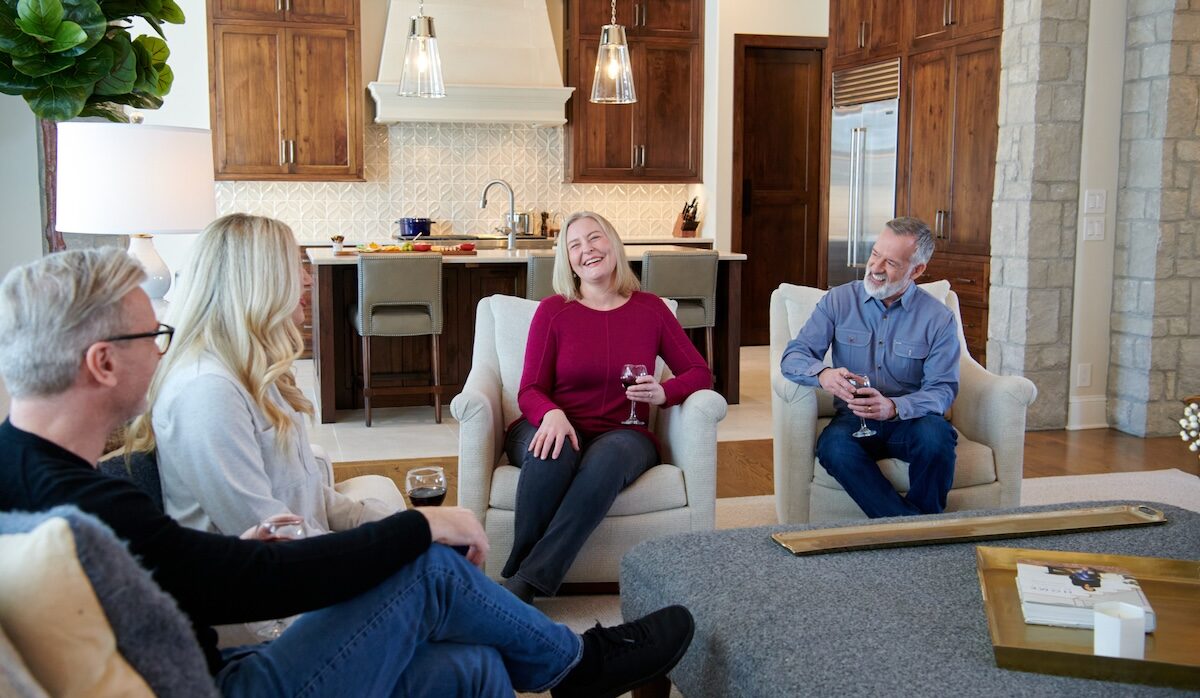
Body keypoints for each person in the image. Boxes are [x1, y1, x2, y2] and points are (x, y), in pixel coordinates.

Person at [0, 247, 694, 697]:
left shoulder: (30, 469)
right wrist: (416, 524)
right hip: (226, 687)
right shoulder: (80, 504)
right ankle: (580, 664)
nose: (163, 353)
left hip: (211, 664)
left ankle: (567, 660)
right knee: (426, 566)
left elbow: (184, 578)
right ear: (102, 362)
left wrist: (234, 554)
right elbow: (255, 587)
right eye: (153, 337)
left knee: (479, 668)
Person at [128, 214, 397, 540]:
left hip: (309, 562)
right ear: (255, 282)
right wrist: (392, 544)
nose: (308, 279)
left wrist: (401, 527)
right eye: (293, 266)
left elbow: (307, 494)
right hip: (268, 582)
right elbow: (272, 537)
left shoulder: (257, 374)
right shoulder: (208, 393)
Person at [501, 211, 712, 604]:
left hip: (624, 432)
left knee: (609, 459)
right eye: (575, 245)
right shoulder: (553, 311)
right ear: (567, 259)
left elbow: (700, 373)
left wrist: (665, 394)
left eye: (595, 239)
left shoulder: (650, 309)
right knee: (554, 449)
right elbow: (529, 388)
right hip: (552, 422)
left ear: (613, 243)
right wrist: (551, 413)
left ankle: (521, 585)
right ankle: (521, 576)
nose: (588, 251)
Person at [780, 216, 960, 518]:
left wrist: (893, 406)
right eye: (875, 254)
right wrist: (823, 374)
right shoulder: (838, 301)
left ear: (917, 270)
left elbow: (942, 390)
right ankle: (912, 529)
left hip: (912, 420)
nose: (875, 268)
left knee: (937, 439)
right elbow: (793, 357)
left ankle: (913, 530)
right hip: (854, 419)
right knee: (833, 449)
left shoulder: (938, 318)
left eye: (891, 262)